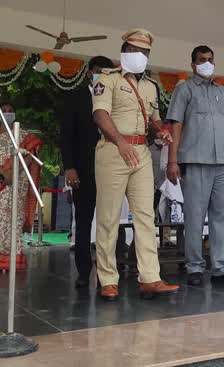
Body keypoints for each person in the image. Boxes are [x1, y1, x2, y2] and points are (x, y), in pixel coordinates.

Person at [92, 29, 179, 300]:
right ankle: (108, 279)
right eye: (135, 51)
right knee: (109, 217)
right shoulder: (107, 80)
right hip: (113, 150)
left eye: (145, 53)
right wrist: (120, 141)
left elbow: (153, 119)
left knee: (145, 215)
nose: (140, 56)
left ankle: (150, 278)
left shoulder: (151, 85)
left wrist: (161, 132)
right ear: (125, 52)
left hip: (141, 151)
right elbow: (100, 113)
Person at [166, 45, 224, 286]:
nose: (207, 63)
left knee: (223, 214)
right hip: (195, 161)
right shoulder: (184, 89)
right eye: (202, 60)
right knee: (194, 216)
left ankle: (221, 267)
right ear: (192, 64)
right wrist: (172, 160)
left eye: (210, 59)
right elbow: (176, 125)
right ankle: (194, 267)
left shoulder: (223, 92)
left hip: (223, 162)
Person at [61, 56, 116, 288]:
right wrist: (69, 168)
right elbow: (66, 136)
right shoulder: (76, 98)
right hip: (84, 169)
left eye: (107, 73)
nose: (102, 77)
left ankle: (110, 272)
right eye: (98, 72)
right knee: (84, 222)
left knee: (111, 221)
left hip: (112, 168)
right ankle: (84, 272)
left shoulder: (116, 97)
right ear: (88, 73)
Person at [0, 104, 42, 271]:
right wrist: (4, 172)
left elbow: (31, 154)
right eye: (4, 111)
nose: (8, 114)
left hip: (17, 184)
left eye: (11, 111)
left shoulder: (23, 136)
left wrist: (15, 172)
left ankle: (8, 263)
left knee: (12, 222)